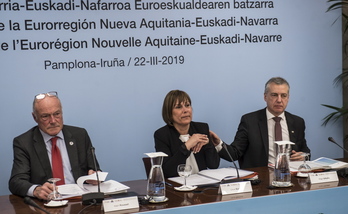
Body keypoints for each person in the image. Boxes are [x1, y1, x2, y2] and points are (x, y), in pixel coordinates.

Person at [9, 91, 100, 200]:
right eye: (45, 116)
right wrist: (36, 190)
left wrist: (95, 176)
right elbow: (16, 181)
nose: (53, 121)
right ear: (35, 117)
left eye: (57, 114)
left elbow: (94, 169)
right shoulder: (23, 142)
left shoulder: (80, 135)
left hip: (79, 200)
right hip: (47, 203)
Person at [211, 77, 310, 169]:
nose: (279, 100)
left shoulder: (297, 122)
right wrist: (219, 144)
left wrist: (303, 157)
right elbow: (235, 153)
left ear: (288, 98)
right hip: (261, 178)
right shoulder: (249, 121)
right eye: (274, 95)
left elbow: (305, 151)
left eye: (283, 96)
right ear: (265, 97)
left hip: (290, 176)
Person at [154, 90, 220, 178]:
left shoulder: (201, 128)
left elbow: (214, 165)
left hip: (202, 184)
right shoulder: (162, 135)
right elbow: (167, 171)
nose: (185, 110)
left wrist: (208, 145)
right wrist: (187, 146)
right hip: (177, 187)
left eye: (187, 105)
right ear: (169, 112)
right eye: (178, 107)